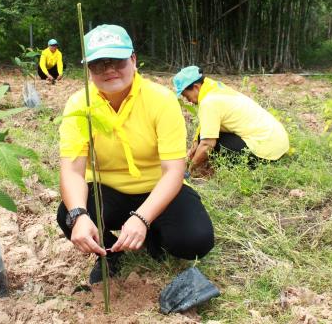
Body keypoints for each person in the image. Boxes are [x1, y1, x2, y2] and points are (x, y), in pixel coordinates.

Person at [57, 25, 214, 285]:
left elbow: (174, 171)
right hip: (107, 190)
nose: (109, 70)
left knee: (195, 240)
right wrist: (79, 215)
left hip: (157, 187)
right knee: (68, 214)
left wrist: (142, 218)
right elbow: (72, 171)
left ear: (133, 59)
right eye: (99, 64)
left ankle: (152, 234)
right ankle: (108, 253)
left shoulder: (160, 100)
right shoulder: (79, 104)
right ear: (88, 69)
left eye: (117, 61)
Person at [173, 66, 289, 172]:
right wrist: (188, 157)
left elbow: (207, 144)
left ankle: (226, 169)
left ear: (196, 87)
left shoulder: (209, 102)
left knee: (213, 143)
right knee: (205, 135)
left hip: (265, 152)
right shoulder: (217, 88)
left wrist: (188, 170)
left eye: (186, 96)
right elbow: (202, 131)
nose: (188, 101)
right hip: (278, 145)